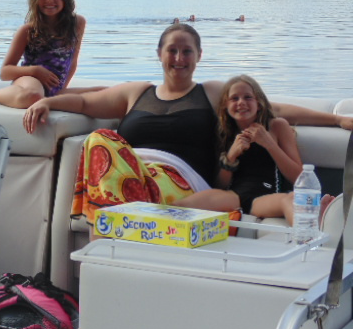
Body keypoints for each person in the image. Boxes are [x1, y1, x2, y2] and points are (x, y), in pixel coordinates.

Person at [23, 23, 353, 234]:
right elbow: (84, 104)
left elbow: (271, 109)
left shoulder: (210, 93)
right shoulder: (135, 92)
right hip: (131, 175)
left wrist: (337, 120)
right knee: (99, 140)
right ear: (159, 54)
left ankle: (121, 227)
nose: (179, 58)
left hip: (181, 182)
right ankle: (130, 225)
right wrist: (47, 103)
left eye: (187, 51)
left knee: (108, 163)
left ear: (198, 56)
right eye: (172, 50)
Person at [213, 74, 333, 223]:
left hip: (264, 198)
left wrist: (269, 144)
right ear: (225, 104)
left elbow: (298, 178)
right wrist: (230, 157)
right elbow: (220, 185)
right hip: (233, 197)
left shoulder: (277, 126)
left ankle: (312, 229)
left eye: (248, 97)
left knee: (289, 199)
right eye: (234, 98)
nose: (241, 103)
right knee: (184, 204)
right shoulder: (223, 132)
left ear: (259, 102)